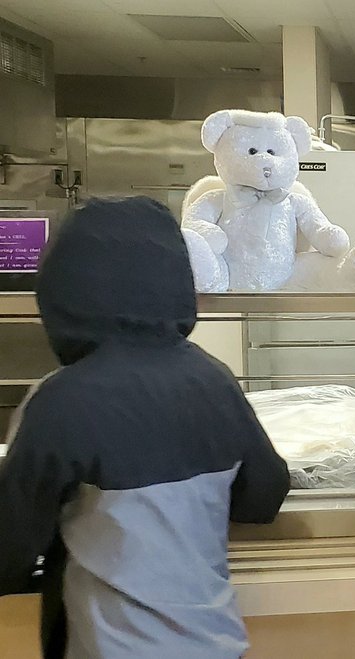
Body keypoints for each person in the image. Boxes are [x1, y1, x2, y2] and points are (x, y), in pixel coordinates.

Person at [0, 197, 291, 658]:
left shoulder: (60, 401)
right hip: (216, 647)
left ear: (63, 290)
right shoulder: (214, 381)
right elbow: (264, 496)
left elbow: (10, 546)